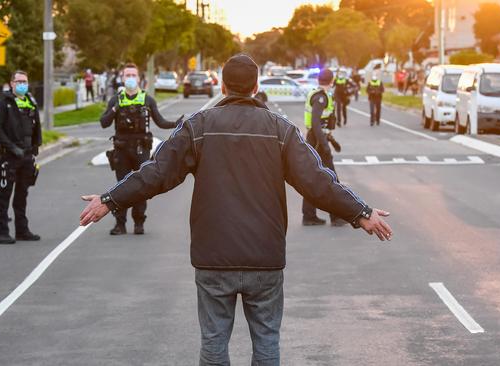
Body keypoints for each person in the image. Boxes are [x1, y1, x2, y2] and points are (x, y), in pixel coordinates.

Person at [80, 54, 393, 365]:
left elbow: (155, 172)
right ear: (256, 87)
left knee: (214, 347)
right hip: (265, 258)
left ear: (222, 85)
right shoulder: (280, 130)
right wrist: (361, 213)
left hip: (213, 258)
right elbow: (317, 180)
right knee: (267, 345)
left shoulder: (198, 127)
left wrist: (110, 199)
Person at [99, 62, 182, 235]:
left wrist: (177, 124)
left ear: (138, 78)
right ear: (122, 78)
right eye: (127, 75)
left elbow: (160, 121)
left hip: (141, 149)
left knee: (142, 187)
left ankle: (139, 223)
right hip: (121, 151)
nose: (130, 78)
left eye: (133, 75)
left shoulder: (147, 99)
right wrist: (116, 108)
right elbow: (104, 122)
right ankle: (119, 224)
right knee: (121, 187)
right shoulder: (116, 100)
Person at [0, 70, 42, 244]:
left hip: (26, 155)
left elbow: (37, 126)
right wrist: (11, 147)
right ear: (11, 83)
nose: (22, 84)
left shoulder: (30, 101)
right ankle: (2, 232)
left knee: (22, 195)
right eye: (19, 81)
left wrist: (36, 146)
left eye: (25, 81)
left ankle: (22, 230)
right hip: (9, 155)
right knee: (4, 195)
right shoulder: (4, 102)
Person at [302, 68, 345, 226]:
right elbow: (315, 123)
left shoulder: (318, 94)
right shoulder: (321, 97)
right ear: (332, 81)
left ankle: (309, 216)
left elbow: (321, 124)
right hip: (318, 142)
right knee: (331, 179)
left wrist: (332, 141)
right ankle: (336, 216)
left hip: (317, 139)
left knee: (314, 179)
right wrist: (325, 146)